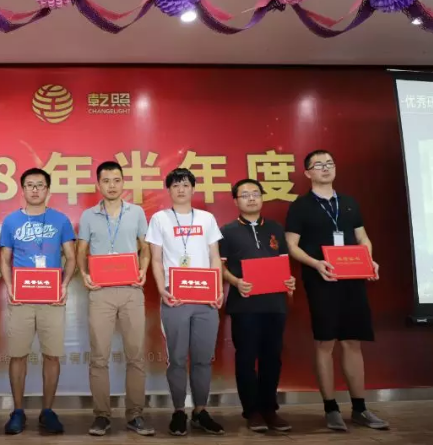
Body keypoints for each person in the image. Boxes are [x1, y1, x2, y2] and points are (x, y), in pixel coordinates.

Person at [285, 149, 388, 431]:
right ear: (307, 172)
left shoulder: (349, 202)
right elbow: (291, 246)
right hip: (322, 280)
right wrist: (316, 264)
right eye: (319, 164)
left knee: (352, 342)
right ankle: (330, 408)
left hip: (353, 279)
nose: (326, 168)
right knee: (325, 342)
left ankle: (360, 408)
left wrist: (369, 260)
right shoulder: (300, 206)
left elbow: (363, 238)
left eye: (330, 163)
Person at [145, 168, 224, 437]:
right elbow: (156, 259)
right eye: (176, 185)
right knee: (177, 359)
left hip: (205, 297)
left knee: (203, 359)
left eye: (186, 184)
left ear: (193, 188)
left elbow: (215, 256)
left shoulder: (206, 218)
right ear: (168, 190)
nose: (181, 189)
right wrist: (162, 289)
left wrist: (217, 288)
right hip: (175, 297)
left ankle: (200, 411)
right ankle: (179, 410)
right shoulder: (159, 219)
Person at [76, 161, 154, 437]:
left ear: (123, 183)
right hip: (100, 291)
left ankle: (135, 415)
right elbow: (81, 250)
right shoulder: (88, 215)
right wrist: (84, 274)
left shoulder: (137, 212)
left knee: (136, 356)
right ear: (98, 184)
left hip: (132, 289)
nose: (112, 185)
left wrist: (143, 270)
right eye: (106, 180)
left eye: (116, 180)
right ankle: (102, 416)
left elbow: (145, 247)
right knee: (99, 356)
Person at [0, 168, 76, 435]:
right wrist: (10, 286)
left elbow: (71, 257)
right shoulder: (11, 221)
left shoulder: (61, 220)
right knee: (17, 354)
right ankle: (18, 411)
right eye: (30, 185)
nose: (35, 189)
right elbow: (4, 259)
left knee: (52, 354)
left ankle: (48, 411)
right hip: (21, 298)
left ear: (48, 190)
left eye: (40, 185)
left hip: (51, 299)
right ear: (22, 190)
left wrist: (64, 285)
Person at [219, 179, 296, 433]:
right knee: (246, 358)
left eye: (255, 193)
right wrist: (236, 282)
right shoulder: (227, 231)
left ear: (262, 197)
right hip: (244, 305)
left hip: (275, 304)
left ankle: (269, 409)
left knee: (272, 358)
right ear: (235, 201)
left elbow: (284, 262)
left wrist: (289, 280)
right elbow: (220, 266)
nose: (251, 198)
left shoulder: (275, 228)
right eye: (245, 195)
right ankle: (252, 411)